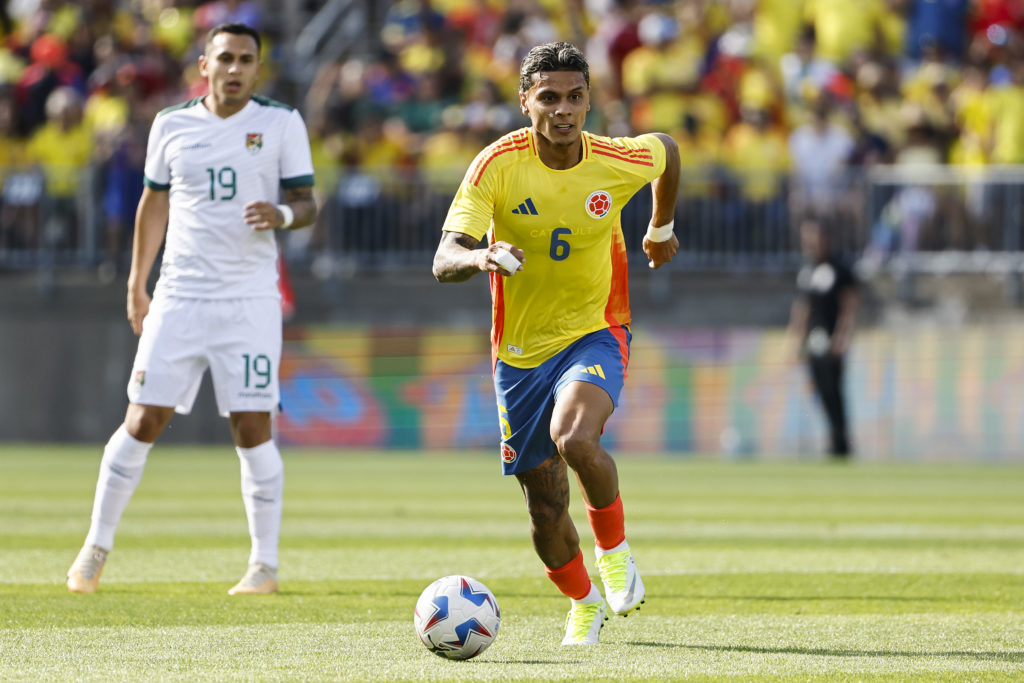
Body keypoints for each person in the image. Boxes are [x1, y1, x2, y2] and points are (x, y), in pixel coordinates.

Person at [432, 42, 680, 645]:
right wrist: (481, 254)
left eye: (575, 97)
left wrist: (660, 225)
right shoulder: (497, 165)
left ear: (589, 100)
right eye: (549, 98)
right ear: (525, 103)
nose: (563, 110)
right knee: (544, 508)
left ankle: (615, 554)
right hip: (519, 355)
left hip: (597, 327)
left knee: (576, 438)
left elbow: (668, 151)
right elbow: (443, 258)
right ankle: (583, 601)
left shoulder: (614, 159)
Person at [66, 23, 316, 595]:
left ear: (258, 68)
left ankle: (264, 566)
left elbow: (307, 204)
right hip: (179, 295)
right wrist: (137, 281)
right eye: (224, 58)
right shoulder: (171, 124)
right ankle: (95, 548)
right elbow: (153, 203)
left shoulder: (281, 122)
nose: (235, 69)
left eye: (246, 60)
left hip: (250, 299)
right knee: (141, 418)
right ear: (203, 64)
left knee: (252, 427)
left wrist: (280, 215)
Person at [787, 215, 859, 458]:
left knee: (834, 390)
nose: (809, 242)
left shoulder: (840, 267)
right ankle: (834, 437)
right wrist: (796, 341)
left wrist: (842, 337)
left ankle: (841, 440)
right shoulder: (808, 270)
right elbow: (802, 308)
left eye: (813, 236)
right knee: (820, 390)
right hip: (813, 342)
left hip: (832, 342)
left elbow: (849, 305)